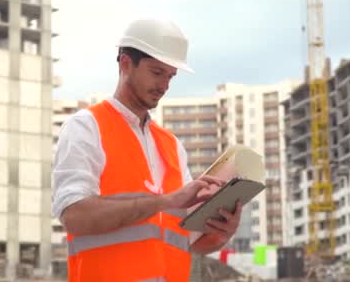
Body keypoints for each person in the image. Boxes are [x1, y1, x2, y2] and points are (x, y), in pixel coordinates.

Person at [52, 19, 243, 281]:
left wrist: (221, 232)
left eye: (170, 76)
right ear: (125, 63)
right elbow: (75, 216)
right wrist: (166, 201)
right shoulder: (86, 127)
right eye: (156, 72)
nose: (164, 85)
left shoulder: (171, 145)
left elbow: (188, 241)